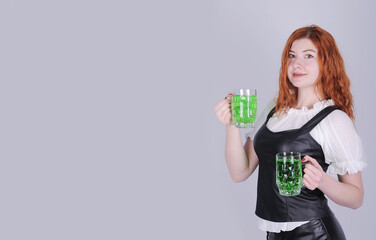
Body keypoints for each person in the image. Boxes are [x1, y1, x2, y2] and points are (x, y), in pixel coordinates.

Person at [214, 25, 366, 239]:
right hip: (274, 235)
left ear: (327, 63)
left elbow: (356, 197)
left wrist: (322, 181)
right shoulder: (275, 107)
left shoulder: (334, 119)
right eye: (292, 56)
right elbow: (240, 172)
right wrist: (231, 124)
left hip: (314, 233)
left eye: (309, 56)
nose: (296, 64)